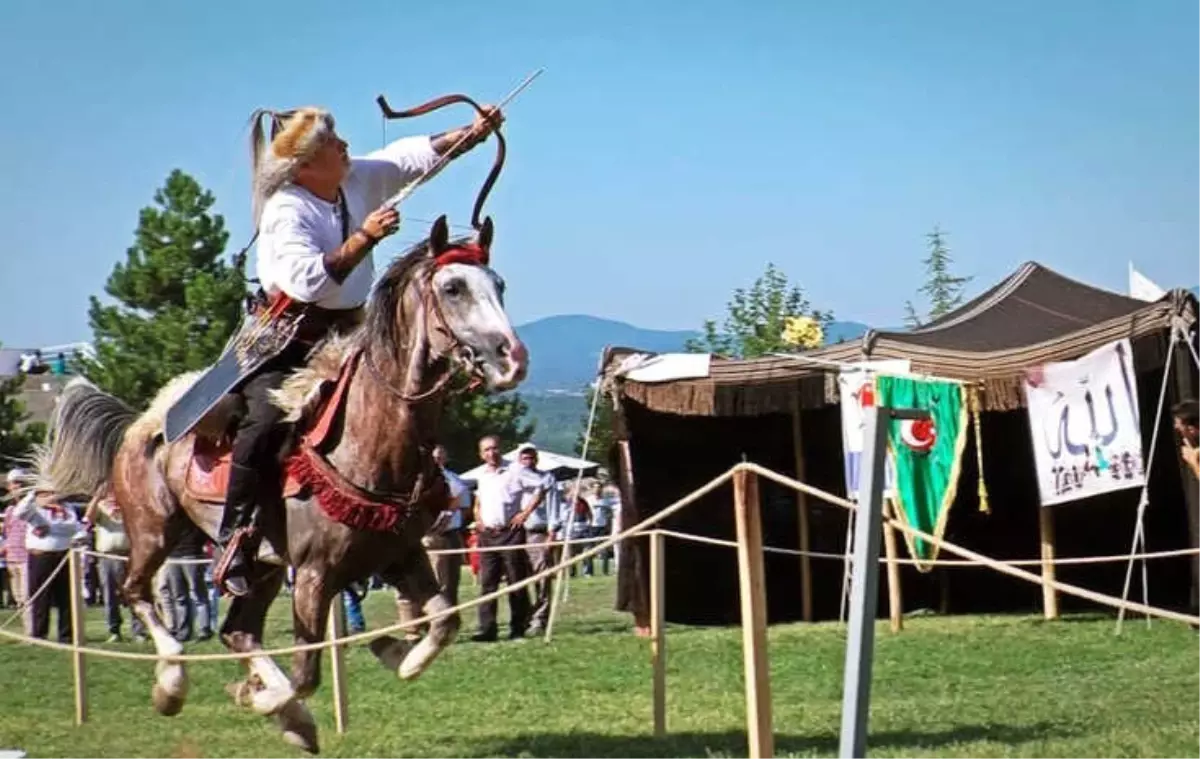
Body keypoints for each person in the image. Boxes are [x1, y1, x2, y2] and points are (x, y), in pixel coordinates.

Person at [214, 101, 504, 597]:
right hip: (285, 340)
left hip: (350, 331)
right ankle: (235, 538)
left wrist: (471, 133)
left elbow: (409, 157)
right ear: (304, 165)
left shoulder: (352, 178)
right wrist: (365, 237)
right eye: (331, 142)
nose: (344, 145)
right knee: (262, 423)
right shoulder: (286, 209)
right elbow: (306, 283)